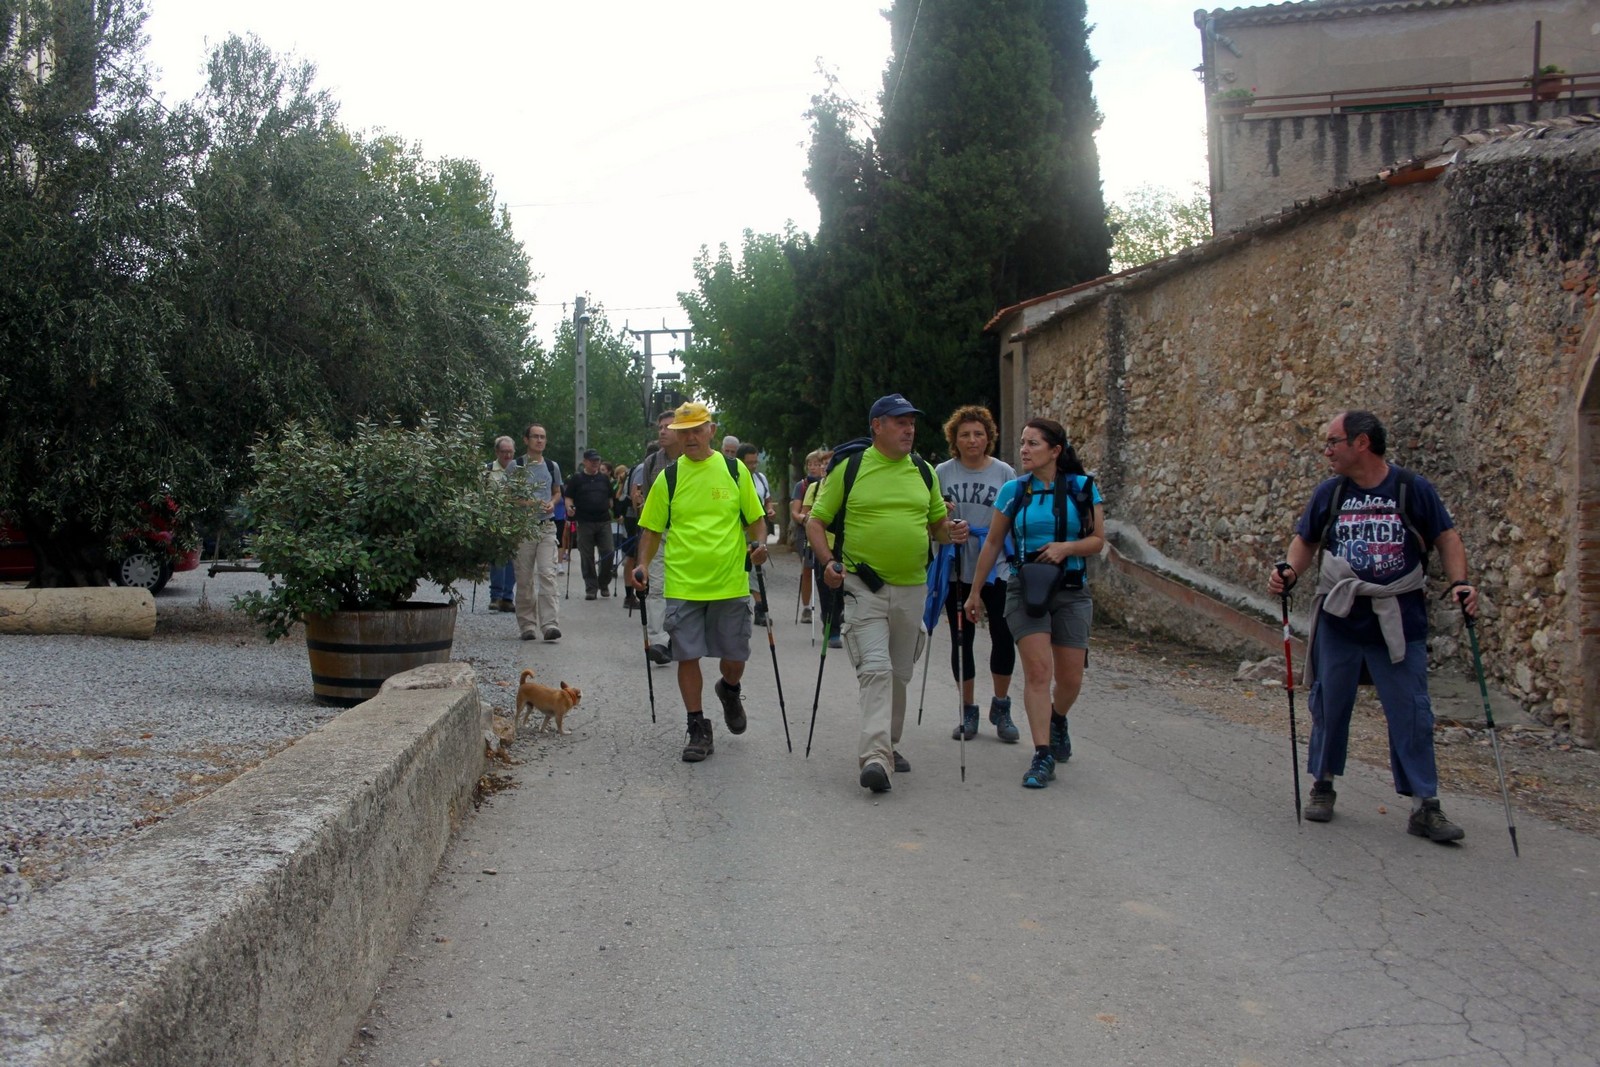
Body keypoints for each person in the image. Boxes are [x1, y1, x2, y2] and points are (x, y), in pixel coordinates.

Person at [1266, 410, 1476, 842]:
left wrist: (1460, 583)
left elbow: (1447, 537)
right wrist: (1289, 571)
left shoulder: (1411, 488)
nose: (1327, 450)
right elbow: (1306, 539)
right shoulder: (1331, 493)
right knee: (1329, 705)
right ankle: (1323, 784)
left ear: (1361, 443)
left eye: (1333, 441)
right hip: (1341, 619)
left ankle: (1424, 805)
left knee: (1412, 712)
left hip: (1399, 619)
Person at [808, 394, 967, 794]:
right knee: (876, 669)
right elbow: (816, 521)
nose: (909, 429)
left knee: (899, 673)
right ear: (877, 426)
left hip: (913, 587)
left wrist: (951, 532)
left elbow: (937, 526)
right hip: (863, 586)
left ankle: (889, 745)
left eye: (911, 422)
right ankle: (876, 757)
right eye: (900, 422)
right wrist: (828, 562)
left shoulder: (924, 471)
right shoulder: (850, 469)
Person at [963, 418, 1104, 790]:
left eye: (1033, 444)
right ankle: (1042, 754)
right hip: (1024, 589)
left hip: (1071, 590)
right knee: (1039, 673)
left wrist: (1066, 548)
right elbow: (993, 543)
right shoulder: (1013, 490)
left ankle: (1058, 719)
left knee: (1070, 678)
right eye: (1023, 442)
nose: (1024, 450)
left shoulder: (1083, 488)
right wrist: (975, 592)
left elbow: (1097, 541)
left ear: (1055, 451)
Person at [634, 402, 769, 762]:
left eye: (697, 430)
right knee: (687, 655)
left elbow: (756, 520)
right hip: (684, 584)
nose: (691, 437)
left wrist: (760, 546)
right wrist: (643, 565)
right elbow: (651, 530)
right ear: (676, 435)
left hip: (731, 583)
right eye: (684, 432)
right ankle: (697, 726)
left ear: (711, 430)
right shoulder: (669, 478)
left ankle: (729, 689)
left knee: (735, 658)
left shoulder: (734, 471)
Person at [935, 406, 1019, 743]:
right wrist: (945, 523)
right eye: (965, 435)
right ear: (954, 439)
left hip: (997, 565)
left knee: (1003, 634)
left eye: (978, 434)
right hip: (957, 564)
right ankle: (967, 709)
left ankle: (1002, 705)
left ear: (989, 438)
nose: (972, 440)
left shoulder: (1005, 473)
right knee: (961, 639)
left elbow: (1015, 518)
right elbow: (931, 519)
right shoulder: (942, 472)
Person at [627, 411, 682, 660]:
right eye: (660, 427)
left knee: (680, 588)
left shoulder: (692, 460)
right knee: (656, 586)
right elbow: (648, 504)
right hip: (659, 532)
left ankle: (678, 638)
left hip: (686, 534)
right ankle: (658, 641)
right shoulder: (651, 463)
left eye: (668, 427)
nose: (662, 431)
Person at [511, 423, 564, 642]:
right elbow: (508, 497)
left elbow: (557, 492)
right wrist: (531, 503)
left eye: (543, 437)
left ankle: (550, 624)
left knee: (547, 574)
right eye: (535, 436)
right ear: (526, 440)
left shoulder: (552, 466)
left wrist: (552, 502)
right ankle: (527, 625)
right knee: (524, 578)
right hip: (523, 528)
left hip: (547, 526)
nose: (540, 440)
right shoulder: (516, 466)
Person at [564, 448, 616, 599]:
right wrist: (569, 508)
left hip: (603, 521)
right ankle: (591, 588)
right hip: (584, 521)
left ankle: (604, 583)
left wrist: (614, 509)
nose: (595, 463)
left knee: (609, 552)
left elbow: (611, 498)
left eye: (597, 460)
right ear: (585, 462)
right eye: (592, 460)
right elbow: (568, 497)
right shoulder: (577, 479)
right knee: (587, 556)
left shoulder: (604, 479)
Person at [736, 443, 776, 625]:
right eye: (749, 463)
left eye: (755, 462)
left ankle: (760, 607)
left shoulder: (760, 478)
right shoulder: (733, 478)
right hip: (739, 531)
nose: (753, 466)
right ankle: (751, 607)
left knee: (756, 568)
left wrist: (769, 510)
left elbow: (767, 500)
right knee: (745, 570)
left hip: (757, 529)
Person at [790, 449, 827, 624]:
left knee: (825, 568)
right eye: (810, 464)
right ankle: (806, 608)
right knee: (807, 568)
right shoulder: (802, 486)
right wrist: (805, 519)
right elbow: (795, 512)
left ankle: (828, 607)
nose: (813, 468)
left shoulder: (830, 483)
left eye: (817, 464)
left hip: (825, 532)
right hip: (804, 531)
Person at [484, 435, 518, 612]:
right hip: (495, 520)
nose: (507, 455)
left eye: (510, 452)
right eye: (504, 451)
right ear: (497, 452)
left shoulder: (519, 471)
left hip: (516, 521)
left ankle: (507, 597)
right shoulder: (487, 471)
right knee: (498, 558)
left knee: (513, 559)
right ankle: (496, 596)